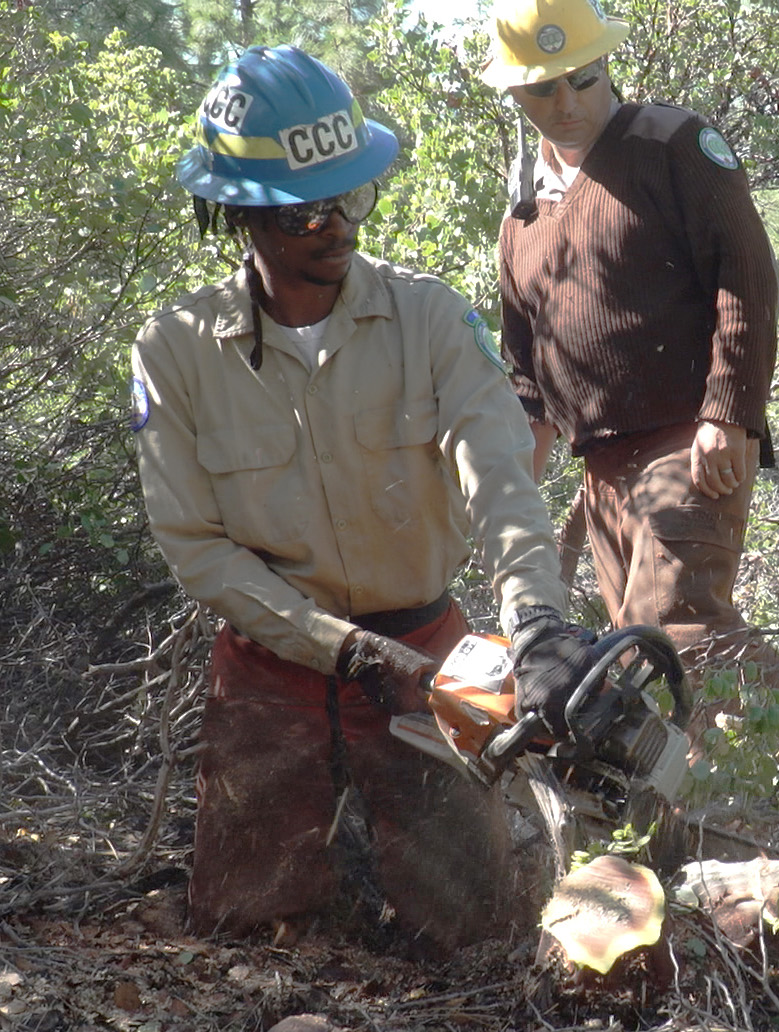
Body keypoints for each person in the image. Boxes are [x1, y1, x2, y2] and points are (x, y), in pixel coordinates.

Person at [131, 44, 599, 954]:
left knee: (475, 933)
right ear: (242, 217)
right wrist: (343, 651)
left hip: (429, 655)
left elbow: (500, 473)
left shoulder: (426, 319)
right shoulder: (176, 350)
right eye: (307, 211)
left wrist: (536, 620)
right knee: (242, 932)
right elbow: (196, 547)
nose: (338, 226)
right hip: (271, 674)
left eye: (349, 197)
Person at [480, 0, 779, 714]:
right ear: (513, 92)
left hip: (687, 442)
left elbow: (745, 273)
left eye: (583, 78)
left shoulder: (670, 142)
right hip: (602, 471)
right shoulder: (522, 216)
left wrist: (729, 413)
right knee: (631, 663)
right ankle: (677, 819)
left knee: (677, 636)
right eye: (542, 88)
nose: (567, 103)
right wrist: (519, 483)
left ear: (606, 64)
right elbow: (525, 369)